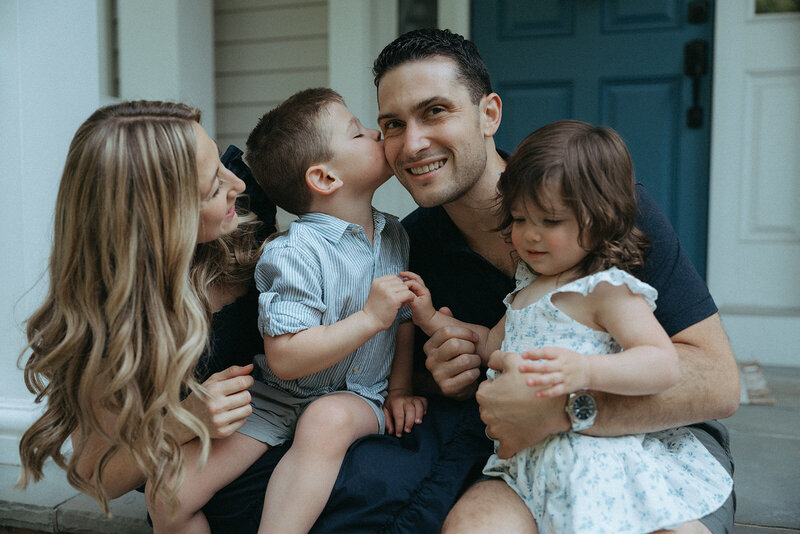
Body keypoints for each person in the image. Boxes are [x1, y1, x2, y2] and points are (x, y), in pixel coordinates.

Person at [372, 28, 739, 533]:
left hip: (650, 449)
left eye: (435, 111)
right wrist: (444, 379)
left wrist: (567, 409)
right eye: (393, 124)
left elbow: (719, 383)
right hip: (530, 464)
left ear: (489, 114)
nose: (412, 143)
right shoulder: (409, 249)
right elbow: (426, 374)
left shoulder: (601, 205)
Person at [147, 87, 427, 534]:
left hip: (359, 397)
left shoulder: (395, 236)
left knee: (326, 418)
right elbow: (286, 357)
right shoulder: (292, 253)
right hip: (277, 396)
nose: (377, 134)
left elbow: (404, 322)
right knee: (167, 494)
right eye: (358, 133)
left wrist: (398, 391)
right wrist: (370, 317)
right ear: (325, 178)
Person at [16, 101, 272, 516]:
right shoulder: (109, 324)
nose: (236, 186)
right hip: (202, 497)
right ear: (161, 218)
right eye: (213, 187)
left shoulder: (248, 207)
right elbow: (97, 475)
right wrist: (185, 420)